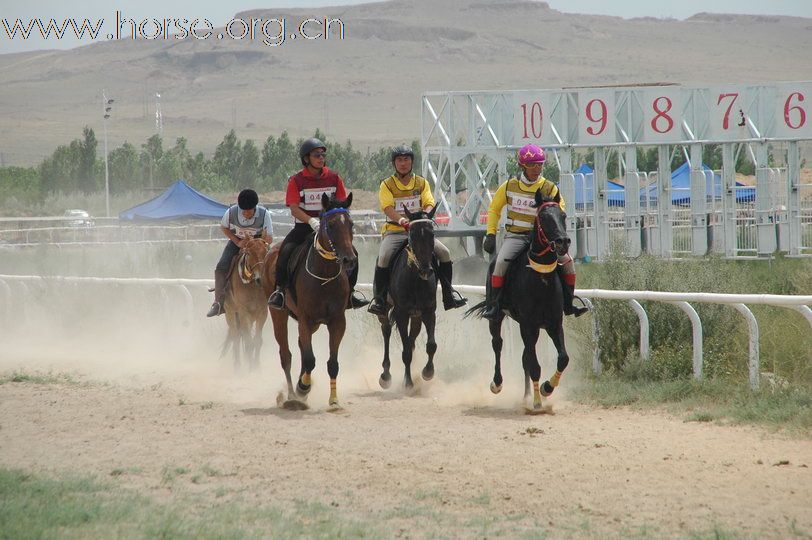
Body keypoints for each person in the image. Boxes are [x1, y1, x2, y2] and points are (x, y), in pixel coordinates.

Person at [481, 144, 587, 320]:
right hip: (516, 236)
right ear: (523, 166)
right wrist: (490, 233)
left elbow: (559, 209)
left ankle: (568, 303)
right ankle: (495, 306)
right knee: (499, 264)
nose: (537, 169)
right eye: (533, 165)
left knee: (568, 263)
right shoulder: (508, 186)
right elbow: (494, 210)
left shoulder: (549, 188)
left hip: (542, 240)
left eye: (540, 164)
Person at [267, 137, 368, 310]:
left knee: (353, 254)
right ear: (306, 159)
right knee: (285, 251)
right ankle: (280, 292)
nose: (321, 158)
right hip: (304, 227)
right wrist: (311, 221)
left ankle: (350, 293)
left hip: (331, 228)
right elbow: (293, 208)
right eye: (316, 155)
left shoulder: (334, 178)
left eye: (323, 154)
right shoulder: (296, 180)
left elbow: (342, 205)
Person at [367, 144, 467, 316]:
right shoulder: (387, 184)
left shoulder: (421, 182)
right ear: (394, 163)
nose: (403, 163)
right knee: (383, 257)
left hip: (419, 233)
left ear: (412, 162)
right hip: (396, 231)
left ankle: (448, 295)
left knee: (445, 253)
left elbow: (429, 203)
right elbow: (387, 207)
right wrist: (402, 220)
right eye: (399, 160)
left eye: (406, 159)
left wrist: (423, 218)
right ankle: (380, 300)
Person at [207, 188, 273, 317]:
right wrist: (237, 242)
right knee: (221, 266)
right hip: (238, 242)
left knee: (274, 265)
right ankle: (218, 302)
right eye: (244, 211)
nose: (246, 214)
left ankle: (277, 296)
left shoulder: (265, 214)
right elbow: (224, 227)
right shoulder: (231, 212)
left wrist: (257, 243)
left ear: (255, 208)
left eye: (249, 212)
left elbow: (269, 237)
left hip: (258, 244)